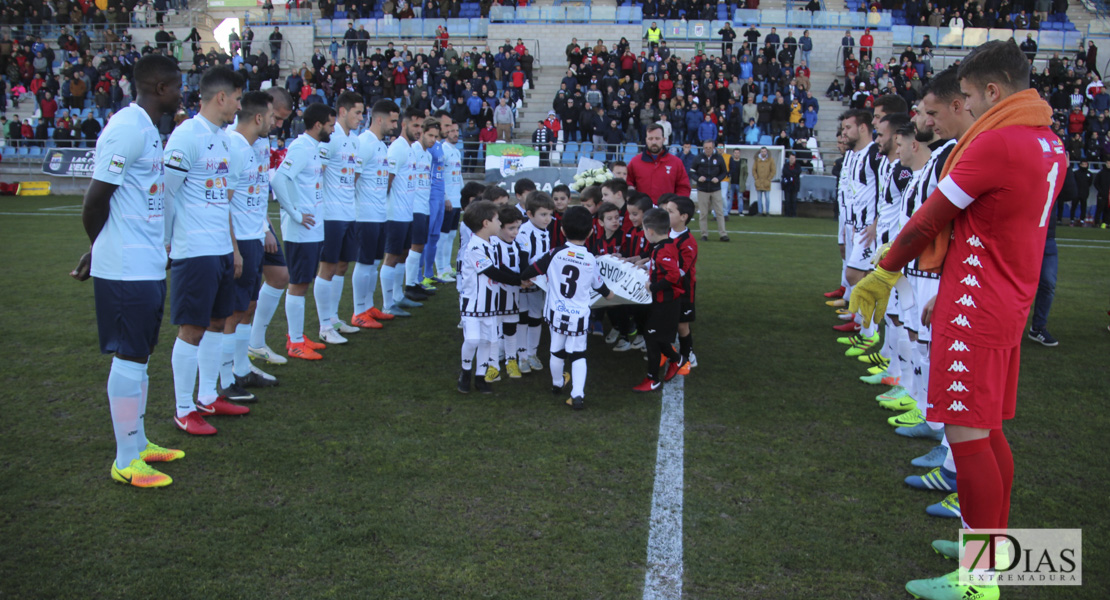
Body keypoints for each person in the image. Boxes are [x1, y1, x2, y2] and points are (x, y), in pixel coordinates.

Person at [850, 40, 1067, 599]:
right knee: (988, 432)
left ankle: (981, 578)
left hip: (977, 305)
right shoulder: (1049, 141)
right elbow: (994, 229)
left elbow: (931, 218)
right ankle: (987, 548)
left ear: (993, 91)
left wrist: (883, 273)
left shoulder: (998, 143)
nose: (965, 106)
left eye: (968, 96)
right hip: (1000, 298)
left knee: (968, 438)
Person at [69, 54, 183, 487]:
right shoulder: (127, 128)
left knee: (141, 355)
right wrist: (100, 250)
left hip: (147, 262)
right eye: (176, 86)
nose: (180, 92)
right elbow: (95, 201)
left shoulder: (150, 131)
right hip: (126, 266)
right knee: (130, 357)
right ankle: (124, 459)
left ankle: (139, 443)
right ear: (159, 88)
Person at [162, 66, 251, 436]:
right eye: (237, 99)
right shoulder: (187, 135)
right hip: (193, 249)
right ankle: (184, 409)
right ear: (221, 98)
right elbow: (165, 192)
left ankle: (208, 395)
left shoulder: (225, 139)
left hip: (218, 249)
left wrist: (232, 249)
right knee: (192, 328)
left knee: (217, 322)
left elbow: (223, 200)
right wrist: (166, 242)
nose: (239, 106)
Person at [519, 207, 616, 409]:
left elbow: (529, 271)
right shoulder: (590, 258)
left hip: (556, 312)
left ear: (562, 230)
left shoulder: (554, 253)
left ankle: (556, 384)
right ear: (590, 233)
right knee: (578, 354)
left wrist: (526, 279)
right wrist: (609, 294)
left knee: (556, 349)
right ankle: (577, 395)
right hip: (578, 316)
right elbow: (599, 286)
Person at [220, 91, 276, 407]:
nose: (273, 122)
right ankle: (226, 379)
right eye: (270, 116)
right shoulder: (235, 148)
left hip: (253, 236)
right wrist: (234, 249)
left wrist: (264, 229)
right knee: (233, 312)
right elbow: (222, 202)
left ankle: (241, 369)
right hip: (240, 239)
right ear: (258, 118)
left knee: (247, 307)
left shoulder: (252, 147)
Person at [272, 102, 336, 360]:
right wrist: (295, 213)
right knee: (297, 284)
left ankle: (297, 336)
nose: (332, 129)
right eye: (330, 125)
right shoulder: (300, 147)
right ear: (318, 125)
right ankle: (294, 341)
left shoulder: (312, 148)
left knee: (303, 283)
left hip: (312, 228)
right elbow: (278, 179)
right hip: (301, 230)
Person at [246, 87, 295, 371]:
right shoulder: (239, 139)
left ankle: (255, 343)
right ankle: (236, 361)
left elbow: (258, 187)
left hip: (258, 221)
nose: (278, 126)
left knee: (279, 276)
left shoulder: (262, 140)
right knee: (240, 303)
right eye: (276, 118)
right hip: (243, 229)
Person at [455, 201, 526, 393]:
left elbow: (500, 268)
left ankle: (480, 377)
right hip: (472, 304)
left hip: (490, 305)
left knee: (489, 341)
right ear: (486, 223)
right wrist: (519, 281)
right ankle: (465, 372)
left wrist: (521, 278)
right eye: (497, 220)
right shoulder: (475, 248)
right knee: (472, 340)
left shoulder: (490, 244)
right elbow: (493, 272)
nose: (499, 222)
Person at [316, 91, 366, 344]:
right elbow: (318, 172)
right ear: (343, 111)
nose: (361, 117)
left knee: (342, 266)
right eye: (357, 112)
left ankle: (333, 318)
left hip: (349, 212)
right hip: (330, 214)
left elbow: (353, 175)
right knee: (327, 268)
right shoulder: (330, 137)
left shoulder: (354, 140)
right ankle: (324, 326)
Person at [351, 99, 402, 329]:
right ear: (379, 119)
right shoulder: (364, 143)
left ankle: (369, 306)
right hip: (365, 215)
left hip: (380, 214)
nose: (395, 124)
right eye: (392, 120)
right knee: (364, 263)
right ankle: (358, 310)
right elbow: (353, 179)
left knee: (372, 263)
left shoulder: (381, 145)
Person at [632, 207, 688, 391]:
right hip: (663, 301)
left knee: (652, 337)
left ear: (650, 231)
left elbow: (673, 275)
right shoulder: (664, 245)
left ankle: (652, 378)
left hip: (667, 302)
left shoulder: (663, 250)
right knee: (655, 336)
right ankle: (676, 359)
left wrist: (653, 286)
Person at [379, 108, 426, 316]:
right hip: (395, 214)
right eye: (415, 125)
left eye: (421, 127)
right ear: (403, 125)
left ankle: (398, 296)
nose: (419, 130)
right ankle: (387, 304)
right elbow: (387, 181)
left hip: (407, 213)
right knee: (391, 257)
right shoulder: (397, 148)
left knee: (403, 254)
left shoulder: (410, 149)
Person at [658, 195, 699, 369]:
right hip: (668, 287)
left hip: (683, 289)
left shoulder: (688, 243)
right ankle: (666, 353)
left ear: (683, 217)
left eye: (670, 211)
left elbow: (680, 271)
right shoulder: (666, 234)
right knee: (666, 321)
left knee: (682, 325)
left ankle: (687, 353)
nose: (666, 214)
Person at [516, 191, 555, 372]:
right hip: (526, 281)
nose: (548, 219)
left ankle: (532, 353)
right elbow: (524, 260)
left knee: (536, 317)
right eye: (543, 214)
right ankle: (522, 355)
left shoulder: (544, 230)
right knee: (522, 318)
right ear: (529, 214)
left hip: (539, 282)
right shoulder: (523, 231)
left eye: (550, 214)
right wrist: (526, 276)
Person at [404, 118, 442, 300]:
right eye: (430, 135)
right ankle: (409, 285)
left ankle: (414, 282)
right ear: (422, 133)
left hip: (424, 205)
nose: (433, 139)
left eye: (436, 136)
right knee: (414, 246)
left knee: (419, 245)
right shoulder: (413, 151)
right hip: (414, 206)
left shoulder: (427, 155)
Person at [491, 206, 527, 379]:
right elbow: (500, 269)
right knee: (494, 329)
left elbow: (521, 266)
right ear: (500, 226)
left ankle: (511, 361)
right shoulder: (494, 244)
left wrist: (527, 277)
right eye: (511, 228)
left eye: (518, 228)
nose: (515, 232)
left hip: (513, 295)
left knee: (511, 328)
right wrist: (519, 279)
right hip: (496, 295)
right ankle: (492, 363)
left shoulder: (516, 245)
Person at [432, 120, 465, 282]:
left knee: (451, 235)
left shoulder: (456, 151)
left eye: (457, 130)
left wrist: (463, 195)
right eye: (451, 131)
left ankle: (446, 266)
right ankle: (439, 270)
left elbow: (458, 176)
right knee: (443, 236)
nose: (455, 133)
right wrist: (445, 197)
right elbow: (439, 177)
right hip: (447, 200)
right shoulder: (442, 150)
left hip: (457, 199)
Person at [626, 124, 691, 203]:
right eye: (650, 138)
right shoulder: (635, 162)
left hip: (667, 213)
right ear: (646, 140)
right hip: (642, 212)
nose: (654, 142)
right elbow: (627, 182)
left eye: (657, 138)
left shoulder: (676, 162)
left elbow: (684, 188)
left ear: (664, 139)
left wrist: (675, 205)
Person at [692, 139, 729, 241]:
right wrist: (697, 178)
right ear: (703, 148)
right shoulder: (698, 158)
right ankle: (704, 234)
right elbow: (692, 171)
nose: (708, 150)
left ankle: (723, 234)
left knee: (719, 212)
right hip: (703, 189)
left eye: (710, 148)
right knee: (703, 213)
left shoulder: (719, 158)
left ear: (713, 148)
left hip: (715, 189)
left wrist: (718, 179)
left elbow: (724, 172)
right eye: (706, 148)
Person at [752, 146, 776, 215]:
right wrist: (756, 178)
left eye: (765, 151)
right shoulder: (757, 160)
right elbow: (754, 170)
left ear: (767, 152)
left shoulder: (771, 160)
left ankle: (767, 212)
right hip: (759, 182)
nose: (763, 153)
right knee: (759, 198)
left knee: (767, 198)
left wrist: (769, 179)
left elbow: (773, 170)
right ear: (760, 152)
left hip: (766, 182)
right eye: (762, 151)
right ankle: (760, 212)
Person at [781, 152, 802, 217]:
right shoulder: (785, 165)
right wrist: (793, 175)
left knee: (794, 200)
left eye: (793, 158)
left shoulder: (798, 166)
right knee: (787, 200)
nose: (792, 159)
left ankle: (793, 214)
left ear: (795, 159)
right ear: (789, 159)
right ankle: (787, 214)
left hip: (794, 185)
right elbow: (785, 172)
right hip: (787, 185)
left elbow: (798, 172)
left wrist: (791, 175)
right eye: (791, 158)